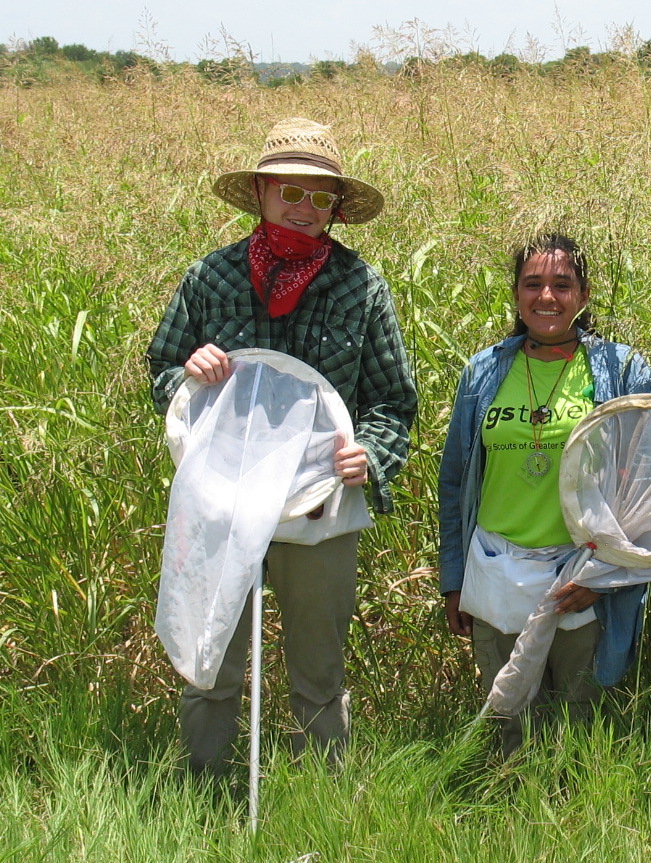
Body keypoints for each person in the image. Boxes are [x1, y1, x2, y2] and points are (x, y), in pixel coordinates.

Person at [146, 117, 418, 773]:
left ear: (337, 209)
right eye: (289, 191)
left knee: (319, 673)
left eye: (319, 196)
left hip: (321, 503)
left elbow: (392, 402)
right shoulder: (210, 278)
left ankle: (321, 801)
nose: (303, 207)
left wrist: (371, 456)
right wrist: (191, 371)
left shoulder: (361, 286)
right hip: (221, 501)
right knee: (210, 660)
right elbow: (161, 371)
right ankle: (202, 788)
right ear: (262, 192)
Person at [438, 234, 651, 754]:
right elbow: (454, 482)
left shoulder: (621, 372)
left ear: (583, 296)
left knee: (581, 727)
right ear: (515, 295)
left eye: (563, 284)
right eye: (533, 284)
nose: (547, 297)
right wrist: (454, 580)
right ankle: (509, 820)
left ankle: (576, 824)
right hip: (496, 570)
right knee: (506, 719)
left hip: (582, 579)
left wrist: (608, 576)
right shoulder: (485, 372)